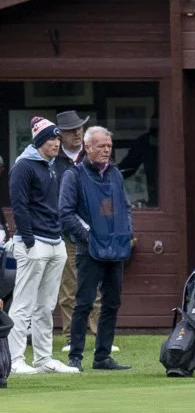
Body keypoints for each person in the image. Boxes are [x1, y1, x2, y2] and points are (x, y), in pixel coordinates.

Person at [8, 117, 79, 374]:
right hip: (33, 243)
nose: (57, 143)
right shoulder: (23, 167)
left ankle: (43, 359)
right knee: (23, 304)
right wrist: (28, 241)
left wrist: (58, 235)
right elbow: (19, 206)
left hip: (54, 241)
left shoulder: (53, 166)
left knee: (46, 306)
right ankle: (16, 360)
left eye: (58, 138)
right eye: (52, 138)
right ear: (39, 141)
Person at [59, 126, 134, 370]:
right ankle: (76, 357)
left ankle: (102, 357)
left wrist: (126, 232)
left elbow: (124, 207)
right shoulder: (74, 175)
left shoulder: (115, 174)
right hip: (88, 250)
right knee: (84, 302)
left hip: (115, 248)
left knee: (112, 303)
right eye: (101, 146)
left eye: (109, 146)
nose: (106, 150)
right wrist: (88, 237)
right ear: (87, 147)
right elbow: (66, 213)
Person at [50, 109, 85, 333]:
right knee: (69, 286)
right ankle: (72, 334)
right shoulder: (53, 159)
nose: (77, 133)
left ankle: (100, 336)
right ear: (61, 134)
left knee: (97, 286)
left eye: (80, 129)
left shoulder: (91, 155)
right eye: (72, 130)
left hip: (93, 229)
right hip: (64, 230)